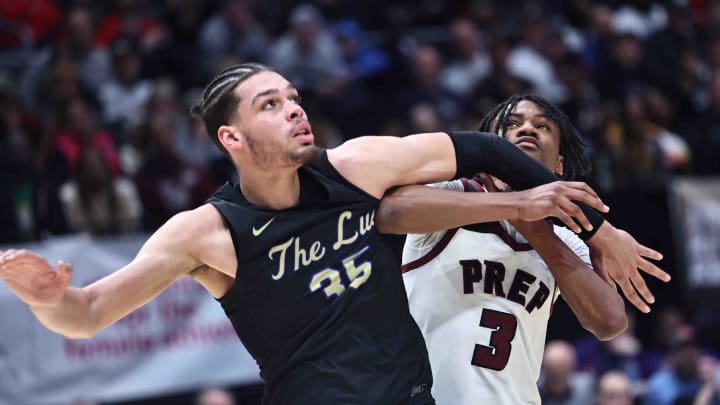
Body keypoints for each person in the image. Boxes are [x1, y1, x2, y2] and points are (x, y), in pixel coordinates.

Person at [0, 63, 650, 404]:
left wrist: (596, 229)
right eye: (271, 105)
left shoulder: (356, 168)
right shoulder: (206, 231)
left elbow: (482, 146)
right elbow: (86, 315)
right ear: (232, 138)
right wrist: (46, 298)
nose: (294, 109)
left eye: (292, 96)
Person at [376, 93, 669, 404]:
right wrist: (517, 205)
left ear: (558, 164)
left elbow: (609, 322)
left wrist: (534, 226)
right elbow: (390, 213)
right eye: (512, 123)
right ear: (486, 150)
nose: (527, 129)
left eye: (542, 126)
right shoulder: (454, 195)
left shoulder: (563, 239)